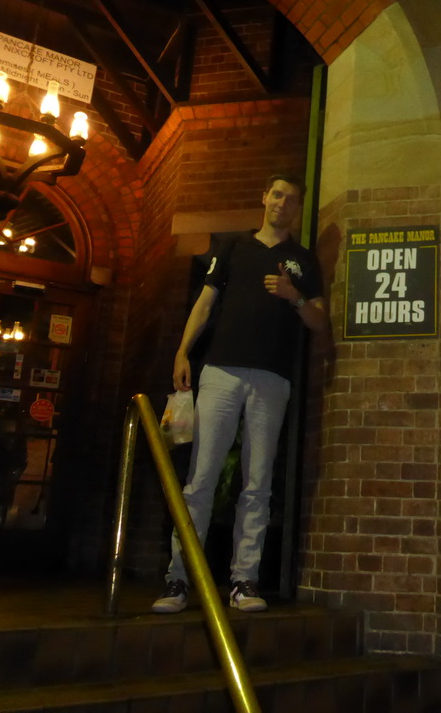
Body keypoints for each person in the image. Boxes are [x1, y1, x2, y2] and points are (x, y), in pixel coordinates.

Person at [152, 174, 328, 614]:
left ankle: (244, 580)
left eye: (292, 199)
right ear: (264, 198)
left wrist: (292, 296)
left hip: (273, 378)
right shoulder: (233, 247)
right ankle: (179, 577)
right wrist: (182, 350)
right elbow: (205, 302)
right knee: (201, 477)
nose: (283, 203)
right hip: (221, 371)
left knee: (257, 483)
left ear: (298, 209)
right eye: (277, 194)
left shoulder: (302, 261)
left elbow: (320, 322)